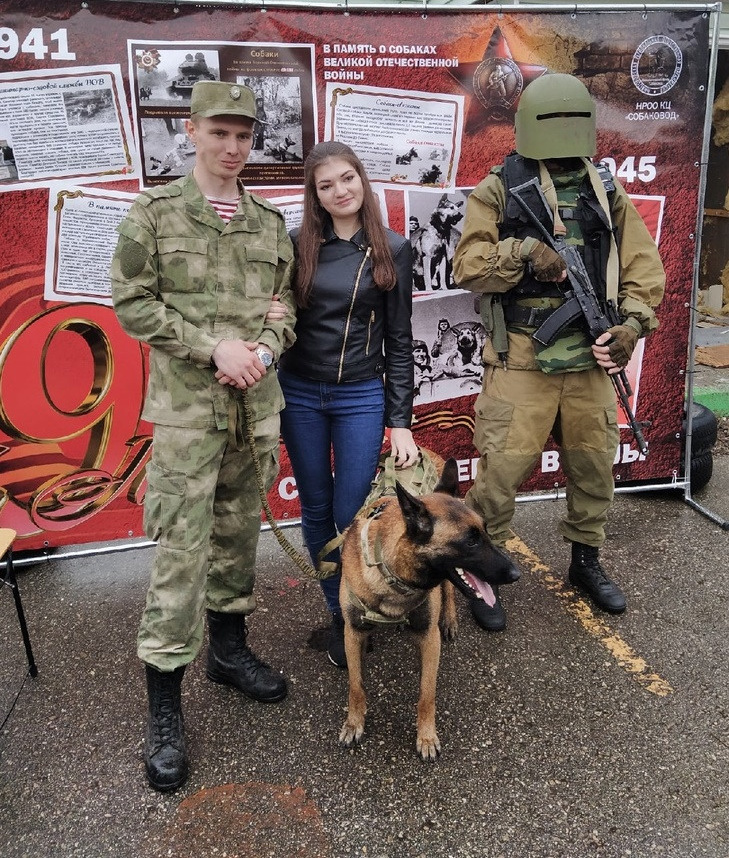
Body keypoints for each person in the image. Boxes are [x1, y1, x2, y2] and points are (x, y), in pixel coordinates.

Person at [110, 80, 296, 793]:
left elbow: (284, 311)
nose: (232, 146)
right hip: (189, 416)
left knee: (236, 539)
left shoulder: (268, 224)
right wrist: (212, 348)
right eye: (219, 132)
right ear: (190, 132)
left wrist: (266, 353)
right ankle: (164, 707)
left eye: (243, 135)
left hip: (255, 410)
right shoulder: (155, 214)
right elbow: (132, 301)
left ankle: (228, 652)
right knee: (180, 556)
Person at [453, 73, 665, 631]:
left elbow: (643, 265)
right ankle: (483, 574)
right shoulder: (500, 186)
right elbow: (467, 265)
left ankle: (585, 562)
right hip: (523, 358)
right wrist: (524, 252)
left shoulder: (604, 189)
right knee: (499, 473)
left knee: (595, 467)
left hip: (593, 359)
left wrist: (633, 326)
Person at [274, 140, 418, 668]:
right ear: (314, 195)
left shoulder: (394, 249)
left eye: (347, 178)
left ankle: (362, 597)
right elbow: (274, 315)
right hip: (300, 394)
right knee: (315, 510)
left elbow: (400, 341)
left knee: (348, 513)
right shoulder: (295, 247)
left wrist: (399, 422)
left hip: (361, 394)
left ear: (362, 180)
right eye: (326, 184)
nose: (340, 191)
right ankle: (340, 616)